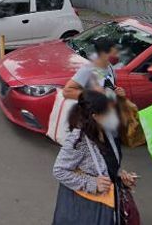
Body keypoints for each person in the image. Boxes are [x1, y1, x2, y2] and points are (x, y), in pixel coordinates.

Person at [51, 90, 140, 225]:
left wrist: (120, 177)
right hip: (88, 208)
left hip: (109, 202)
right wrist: (93, 183)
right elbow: (59, 170)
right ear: (95, 116)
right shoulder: (78, 140)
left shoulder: (110, 133)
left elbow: (107, 166)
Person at [62, 37, 126, 101]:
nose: (118, 56)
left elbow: (107, 84)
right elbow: (67, 92)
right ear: (104, 53)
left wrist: (117, 91)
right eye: (115, 53)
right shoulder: (88, 69)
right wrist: (95, 96)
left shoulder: (109, 66)